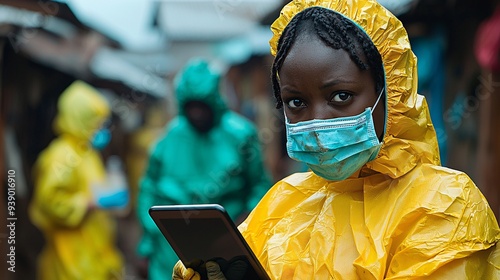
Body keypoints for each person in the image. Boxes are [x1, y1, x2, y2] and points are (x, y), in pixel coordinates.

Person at [173, 0, 500, 279]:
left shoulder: (445, 206)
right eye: (296, 102)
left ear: (392, 95)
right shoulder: (283, 202)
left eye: (341, 96)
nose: (316, 122)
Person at [136, 58, 272, 279]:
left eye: (203, 106)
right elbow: (149, 191)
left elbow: (260, 187)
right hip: (169, 248)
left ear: (215, 101)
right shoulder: (168, 140)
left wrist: (242, 226)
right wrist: (146, 247)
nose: (197, 113)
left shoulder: (240, 135)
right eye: (191, 107)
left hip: (227, 245)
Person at [29, 80, 128, 279]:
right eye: (96, 123)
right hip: (70, 258)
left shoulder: (86, 153)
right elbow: (49, 202)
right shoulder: (61, 156)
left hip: (93, 250)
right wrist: (90, 203)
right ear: (81, 120)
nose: (102, 130)